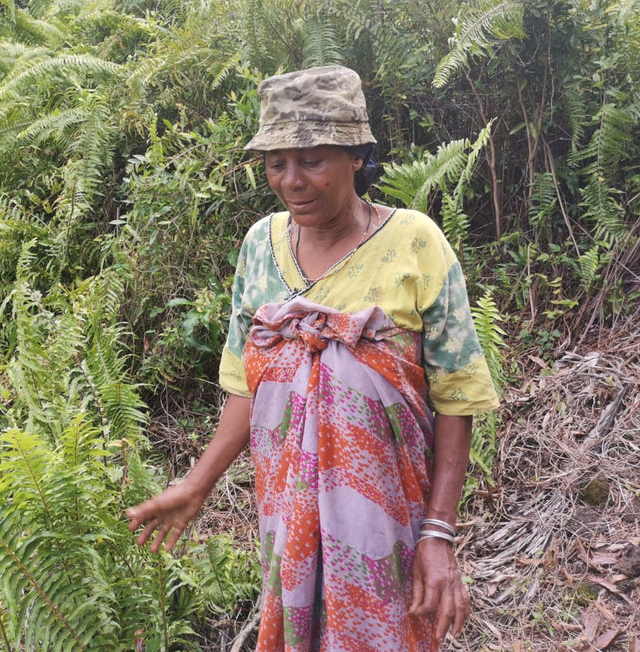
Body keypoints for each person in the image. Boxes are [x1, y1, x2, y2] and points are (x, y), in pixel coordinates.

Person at [126, 66, 499, 651]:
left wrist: (439, 534)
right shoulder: (260, 246)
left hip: (387, 528)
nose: (292, 181)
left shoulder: (414, 242)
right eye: (277, 163)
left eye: (312, 160)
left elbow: (457, 399)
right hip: (287, 517)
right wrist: (197, 486)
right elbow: (245, 389)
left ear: (357, 156)